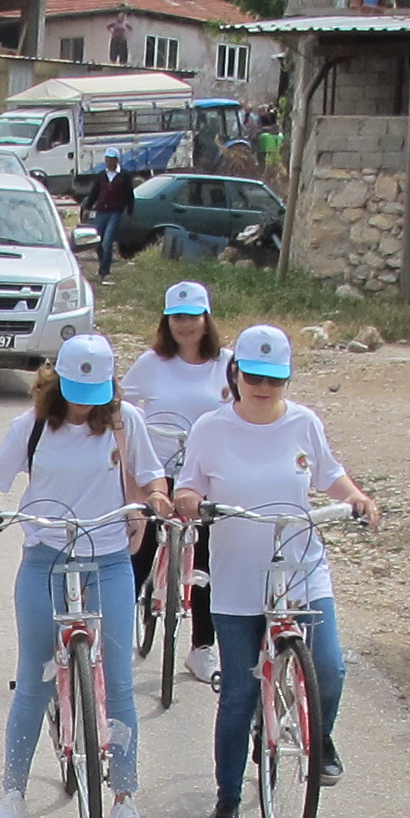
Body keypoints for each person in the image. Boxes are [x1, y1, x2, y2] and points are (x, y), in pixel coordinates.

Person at [172, 325, 377, 818]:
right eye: (255, 375)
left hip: (300, 567)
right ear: (236, 372)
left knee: (328, 668)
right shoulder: (211, 428)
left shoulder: (305, 423)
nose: (264, 387)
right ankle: (228, 796)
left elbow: (329, 474)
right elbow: (188, 484)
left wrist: (355, 497)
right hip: (238, 577)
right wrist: (190, 500)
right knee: (240, 691)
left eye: (276, 378)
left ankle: (318, 738)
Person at [0, 333, 168, 818]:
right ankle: (12, 792)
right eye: (77, 389)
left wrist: (157, 499)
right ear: (58, 382)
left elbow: (151, 478)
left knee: (118, 679)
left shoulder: (126, 424)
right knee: (34, 675)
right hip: (45, 559)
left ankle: (124, 796)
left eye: (95, 390)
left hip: (108, 561)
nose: (86, 401)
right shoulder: (32, 426)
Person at [121, 281, 234, 675]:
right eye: (177, 317)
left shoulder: (227, 365)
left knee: (207, 557)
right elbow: (120, 408)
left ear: (207, 319)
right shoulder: (151, 364)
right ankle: (117, 633)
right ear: (167, 321)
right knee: (144, 542)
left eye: (193, 316)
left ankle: (203, 645)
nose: (186, 325)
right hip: (159, 468)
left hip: (204, 472)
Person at [83, 158, 134, 279]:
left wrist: (129, 213)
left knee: (107, 241)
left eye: (111, 160)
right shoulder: (102, 175)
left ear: (116, 161)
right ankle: (103, 261)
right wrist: (87, 208)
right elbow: (94, 193)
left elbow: (129, 195)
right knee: (97, 241)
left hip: (115, 211)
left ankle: (104, 271)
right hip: (101, 211)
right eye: (107, 160)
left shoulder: (124, 175)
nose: (109, 162)